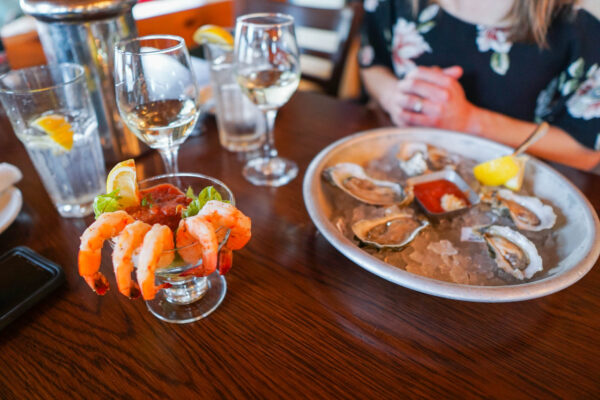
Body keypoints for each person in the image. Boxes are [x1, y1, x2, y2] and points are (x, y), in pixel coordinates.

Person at [359, 0, 600, 172]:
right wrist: (393, 97)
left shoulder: (581, 23)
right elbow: (372, 63)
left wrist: (469, 121)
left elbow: (585, 151)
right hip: (396, 164)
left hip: (511, 188)